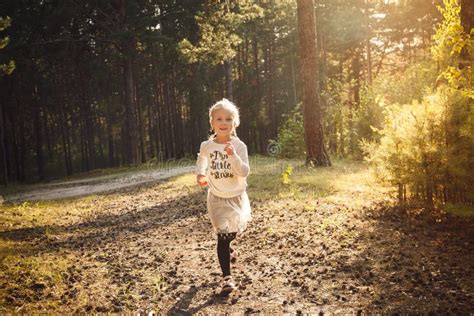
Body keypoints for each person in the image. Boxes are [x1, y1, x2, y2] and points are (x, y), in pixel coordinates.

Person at [195, 98, 251, 293]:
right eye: (219, 119)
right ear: (212, 123)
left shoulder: (239, 146)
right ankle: (227, 277)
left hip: (236, 196)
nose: (224, 123)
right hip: (216, 196)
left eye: (228, 119)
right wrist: (201, 174)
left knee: (231, 233)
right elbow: (201, 159)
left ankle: (229, 249)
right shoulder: (207, 146)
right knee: (222, 235)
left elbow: (244, 171)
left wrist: (233, 155)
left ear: (235, 123)